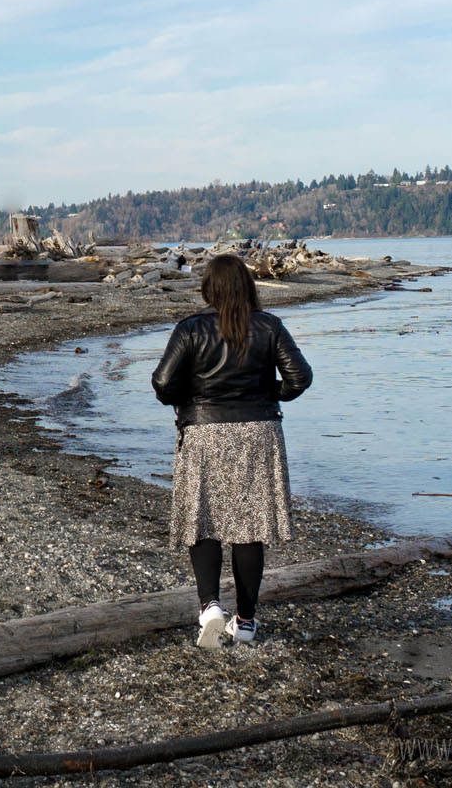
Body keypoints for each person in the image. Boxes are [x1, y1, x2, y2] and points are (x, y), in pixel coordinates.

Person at [150, 254, 312, 647]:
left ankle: (209, 607)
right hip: (258, 433)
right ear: (248, 286)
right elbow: (300, 378)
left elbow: (161, 383)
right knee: (250, 525)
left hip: (205, 432)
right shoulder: (270, 326)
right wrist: (265, 393)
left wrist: (191, 396)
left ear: (209, 288)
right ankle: (246, 621)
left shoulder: (190, 328)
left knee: (202, 518)